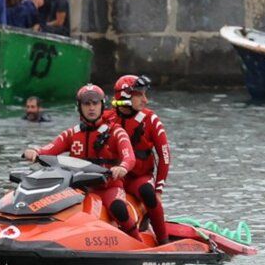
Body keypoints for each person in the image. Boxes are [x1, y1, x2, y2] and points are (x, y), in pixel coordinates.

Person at [23, 84, 138, 238]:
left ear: (102, 105)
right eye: (86, 103)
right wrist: (34, 151)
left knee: (118, 207)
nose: (91, 108)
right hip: (78, 188)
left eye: (95, 103)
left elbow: (129, 157)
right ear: (79, 107)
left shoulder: (116, 131)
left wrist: (122, 167)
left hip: (108, 187)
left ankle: (137, 239)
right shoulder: (72, 133)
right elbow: (49, 149)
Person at [111, 74, 171, 236]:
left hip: (138, 178)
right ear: (125, 96)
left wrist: (158, 189)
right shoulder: (107, 119)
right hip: (114, 178)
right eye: (140, 95)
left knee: (148, 192)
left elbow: (164, 156)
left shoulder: (151, 119)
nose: (145, 100)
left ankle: (162, 239)